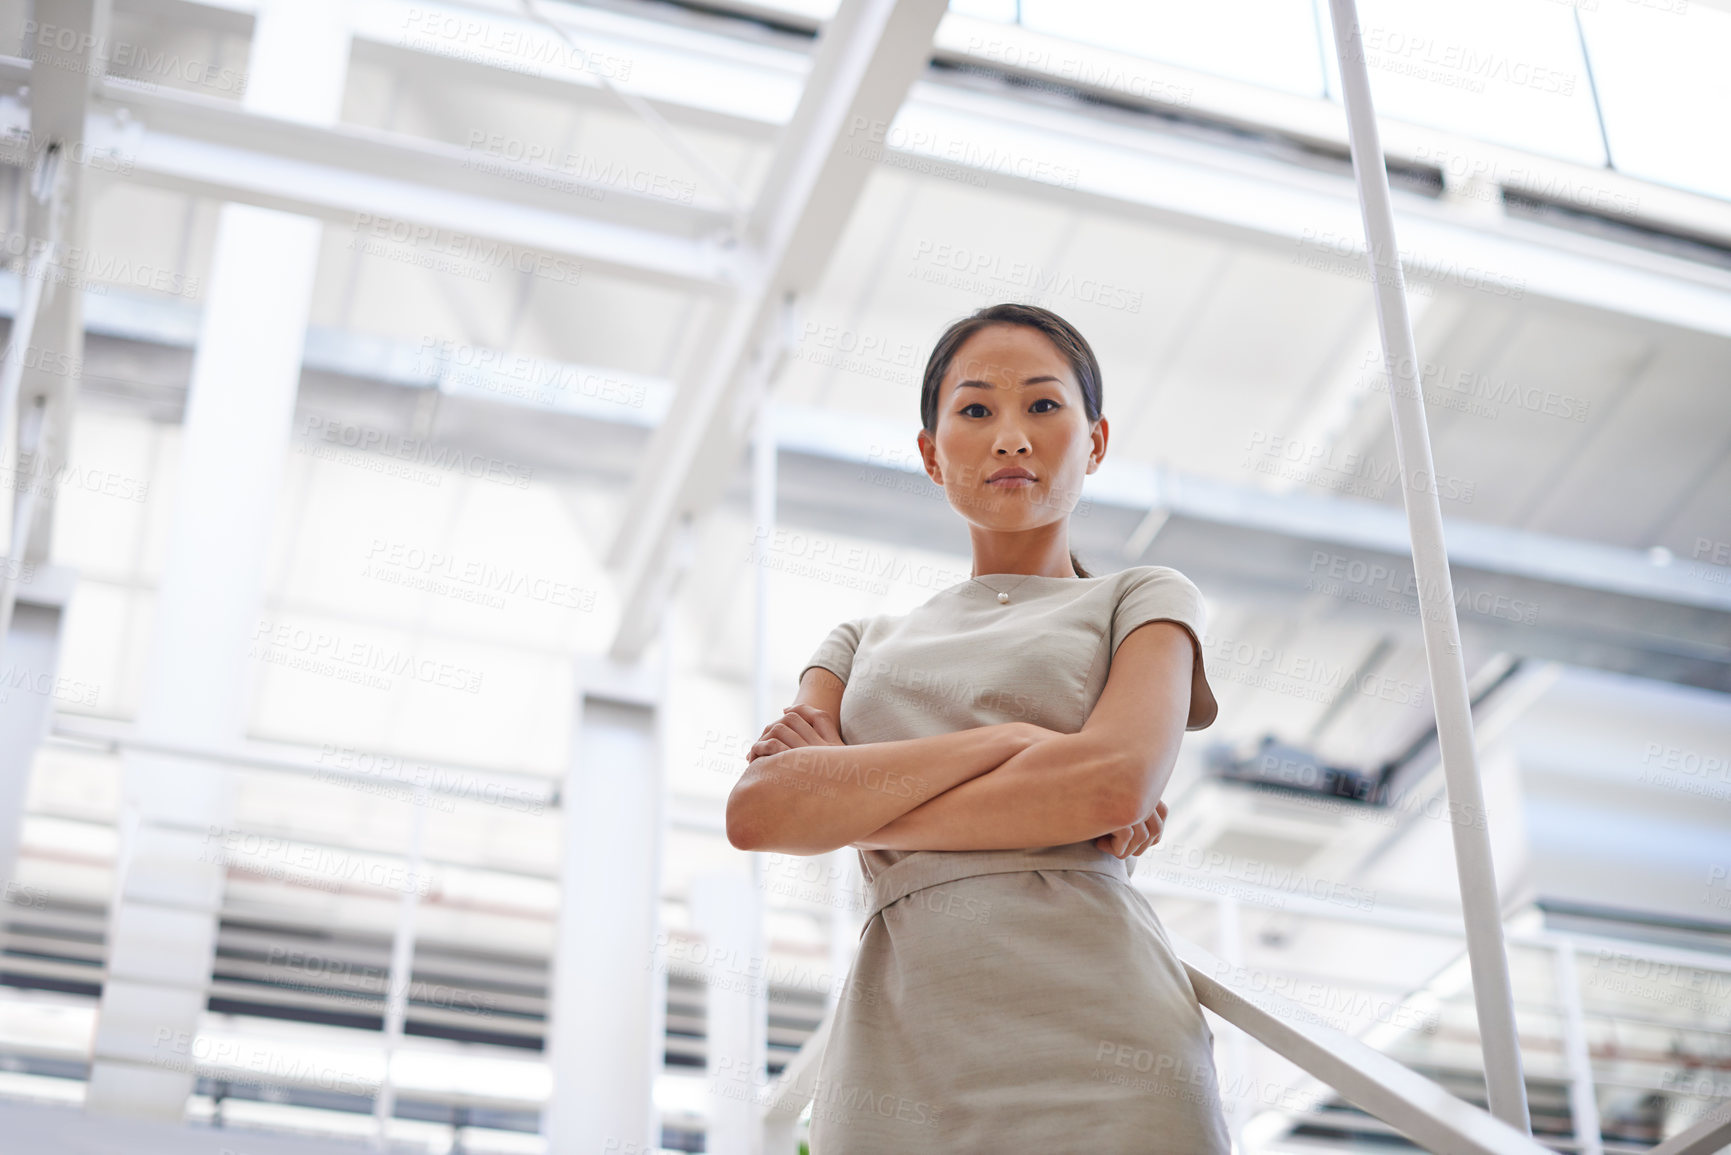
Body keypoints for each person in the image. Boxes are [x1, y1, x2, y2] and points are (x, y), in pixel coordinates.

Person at [726, 302, 1230, 1151]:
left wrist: (856, 804)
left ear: (1095, 441)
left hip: (1108, 1041)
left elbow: (1110, 782)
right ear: (930, 452)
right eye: (974, 410)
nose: (1009, 437)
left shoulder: (1142, 599)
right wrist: (1018, 747)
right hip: (900, 1047)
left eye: (1042, 405)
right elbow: (761, 813)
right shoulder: (857, 643)